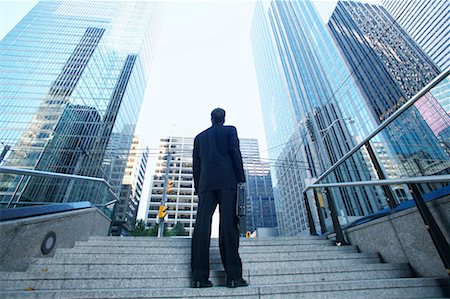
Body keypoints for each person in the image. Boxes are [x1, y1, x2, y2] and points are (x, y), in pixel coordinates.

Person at [191, 108, 248, 289]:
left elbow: (196, 165)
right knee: (228, 225)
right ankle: (233, 277)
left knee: (201, 227)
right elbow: (235, 153)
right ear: (224, 119)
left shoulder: (199, 138)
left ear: (211, 118)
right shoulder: (230, 130)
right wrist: (241, 180)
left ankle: (199, 278)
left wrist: (198, 187)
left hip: (206, 184)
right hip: (227, 181)